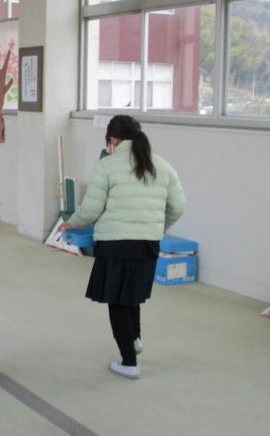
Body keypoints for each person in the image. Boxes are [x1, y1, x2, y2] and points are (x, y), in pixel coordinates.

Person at [59, 115, 186, 380]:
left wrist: (72, 223)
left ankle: (129, 362)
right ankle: (135, 339)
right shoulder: (161, 165)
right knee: (132, 295)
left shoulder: (108, 165)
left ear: (113, 140)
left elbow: (91, 209)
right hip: (147, 244)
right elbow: (178, 206)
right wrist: (156, 227)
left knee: (117, 301)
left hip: (115, 244)